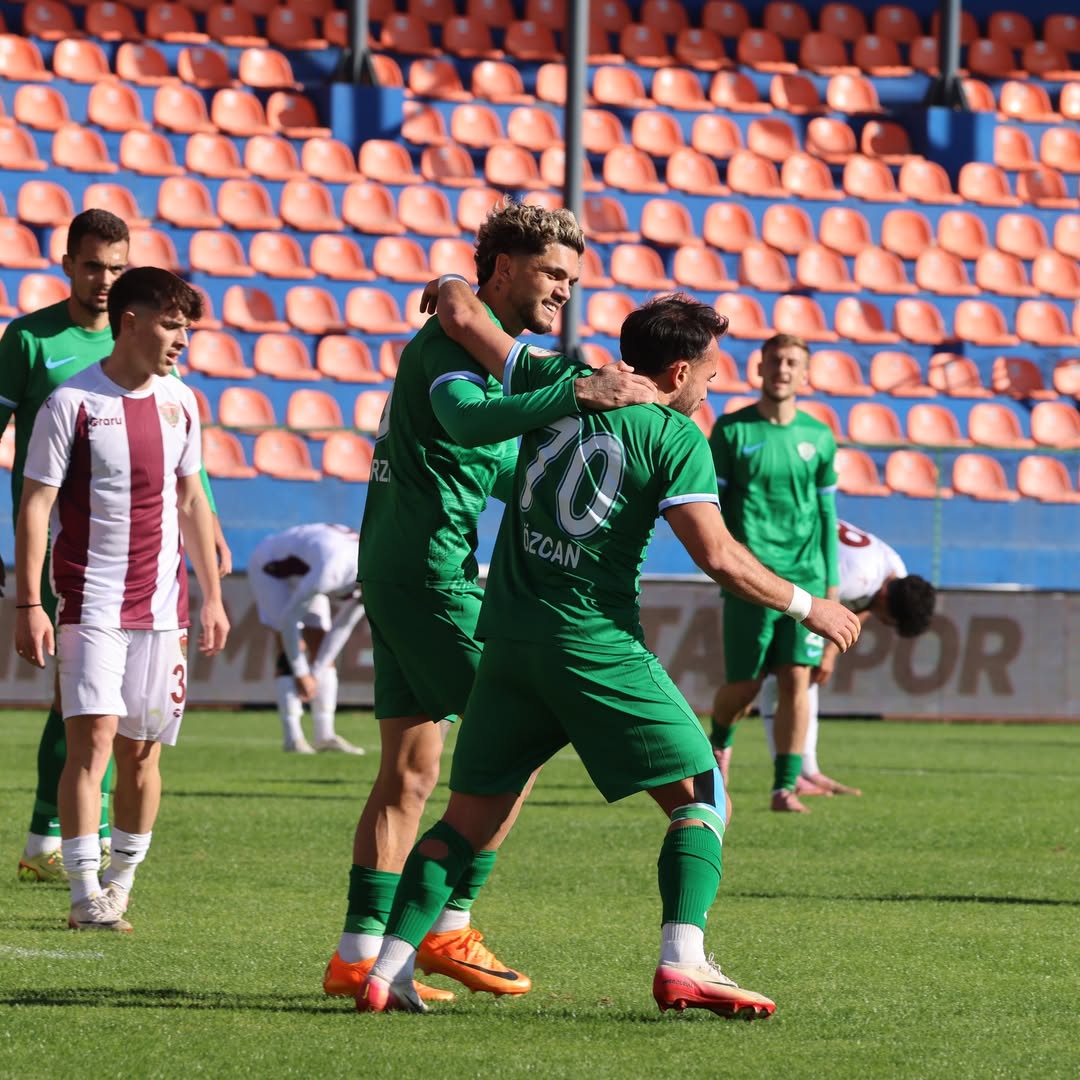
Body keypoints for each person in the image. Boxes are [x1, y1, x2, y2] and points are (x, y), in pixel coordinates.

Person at [356, 289, 861, 1017]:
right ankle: (684, 962)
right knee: (703, 797)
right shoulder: (675, 436)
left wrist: (451, 284)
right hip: (594, 645)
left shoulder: (560, 381)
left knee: (464, 820)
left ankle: (387, 970)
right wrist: (811, 606)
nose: (711, 389)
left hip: (509, 643)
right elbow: (718, 557)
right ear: (680, 372)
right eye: (710, 375)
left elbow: (464, 318)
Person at [323, 200, 659, 1006]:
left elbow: (494, 466)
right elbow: (467, 423)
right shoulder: (453, 345)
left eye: (572, 278)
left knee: (411, 771)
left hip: (402, 570)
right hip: (431, 576)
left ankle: (357, 953)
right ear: (503, 269)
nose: (564, 291)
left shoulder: (477, 343)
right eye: (553, 273)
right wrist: (579, 395)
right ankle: (449, 925)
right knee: (522, 734)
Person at [0, 209, 231, 884]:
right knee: (83, 714)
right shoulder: (35, 345)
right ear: (68, 265)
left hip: (154, 572)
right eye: (93, 265)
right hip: (73, 554)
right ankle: (62, 845)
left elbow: (185, 479)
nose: (103, 279)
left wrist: (210, 531)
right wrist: (26, 590)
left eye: (116, 267)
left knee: (119, 729)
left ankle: (69, 844)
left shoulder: (168, 380)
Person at [708, 333, 840, 814]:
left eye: (792, 363)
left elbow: (827, 516)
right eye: (775, 361)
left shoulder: (819, 437)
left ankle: (785, 787)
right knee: (744, 686)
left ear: (804, 374)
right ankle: (720, 739)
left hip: (806, 577)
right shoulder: (732, 430)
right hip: (751, 578)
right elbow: (712, 506)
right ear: (760, 369)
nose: (782, 370)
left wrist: (831, 587)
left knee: (796, 678)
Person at [758, 520, 937, 796]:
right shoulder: (855, 580)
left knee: (804, 676)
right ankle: (793, 777)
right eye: (889, 620)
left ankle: (808, 772)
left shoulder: (894, 573)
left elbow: (867, 606)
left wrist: (829, 651)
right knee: (788, 676)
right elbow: (816, 602)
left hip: (803, 562)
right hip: (779, 556)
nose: (884, 624)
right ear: (886, 598)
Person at [248, 522, 367, 754]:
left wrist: (317, 672)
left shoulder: (376, 573)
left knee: (320, 643)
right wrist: (303, 673)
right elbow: (289, 622)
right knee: (288, 644)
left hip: (308, 569)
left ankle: (325, 735)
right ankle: (293, 738)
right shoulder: (332, 571)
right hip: (271, 568)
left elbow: (342, 627)